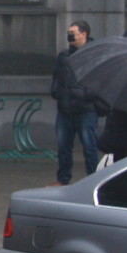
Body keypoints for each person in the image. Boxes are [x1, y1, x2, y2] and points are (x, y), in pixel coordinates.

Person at [50, 21, 105, 184]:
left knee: (89, 148)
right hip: (65, 109)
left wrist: (83, 94)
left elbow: (101, 82)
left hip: (85, 109)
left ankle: (93, 181)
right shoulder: (64, 56)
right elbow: (57, 77)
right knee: (63, 148)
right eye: (68, 32)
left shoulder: (95, 55)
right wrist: (56, 92)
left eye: (72, 32)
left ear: (83, 34)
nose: (69, 36)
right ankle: (63, 179)